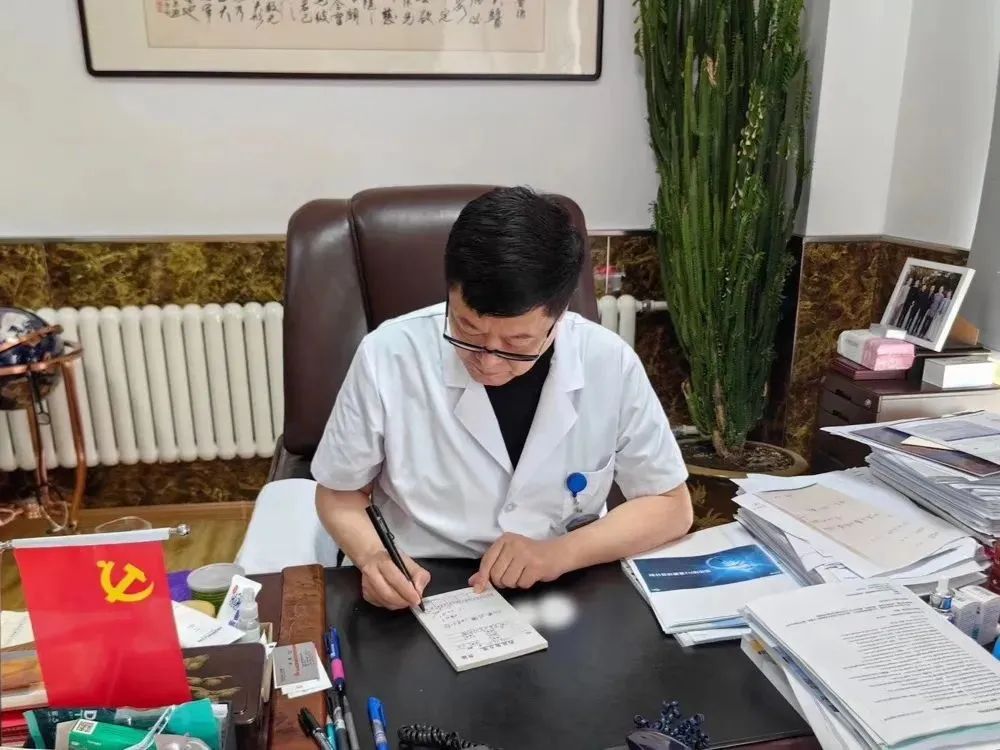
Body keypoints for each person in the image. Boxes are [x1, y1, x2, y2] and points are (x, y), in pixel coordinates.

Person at [312, 187, 693, 610]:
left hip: (564, 583)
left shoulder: (608, 362)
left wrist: (558, 554)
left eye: (517, 343)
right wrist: (374, 557)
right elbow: (338, 494)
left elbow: (671, 506)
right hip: (422, 584)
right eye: (467, 330)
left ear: (559, 316)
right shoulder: (388, 355)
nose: (489, 362)